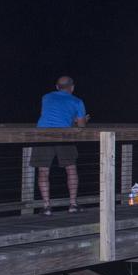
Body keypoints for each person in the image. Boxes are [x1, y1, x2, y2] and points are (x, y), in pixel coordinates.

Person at [31, 75, 89, 215]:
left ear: (57, 87)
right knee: (71, 169)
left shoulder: (46, 97)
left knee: (43, 171)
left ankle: (46, 207)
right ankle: (73, 204)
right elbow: (81, 127)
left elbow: (50, 115)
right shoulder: (77, 101)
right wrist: (82, 120)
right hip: (64, 135)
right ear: (72, 87)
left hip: (43, 134)